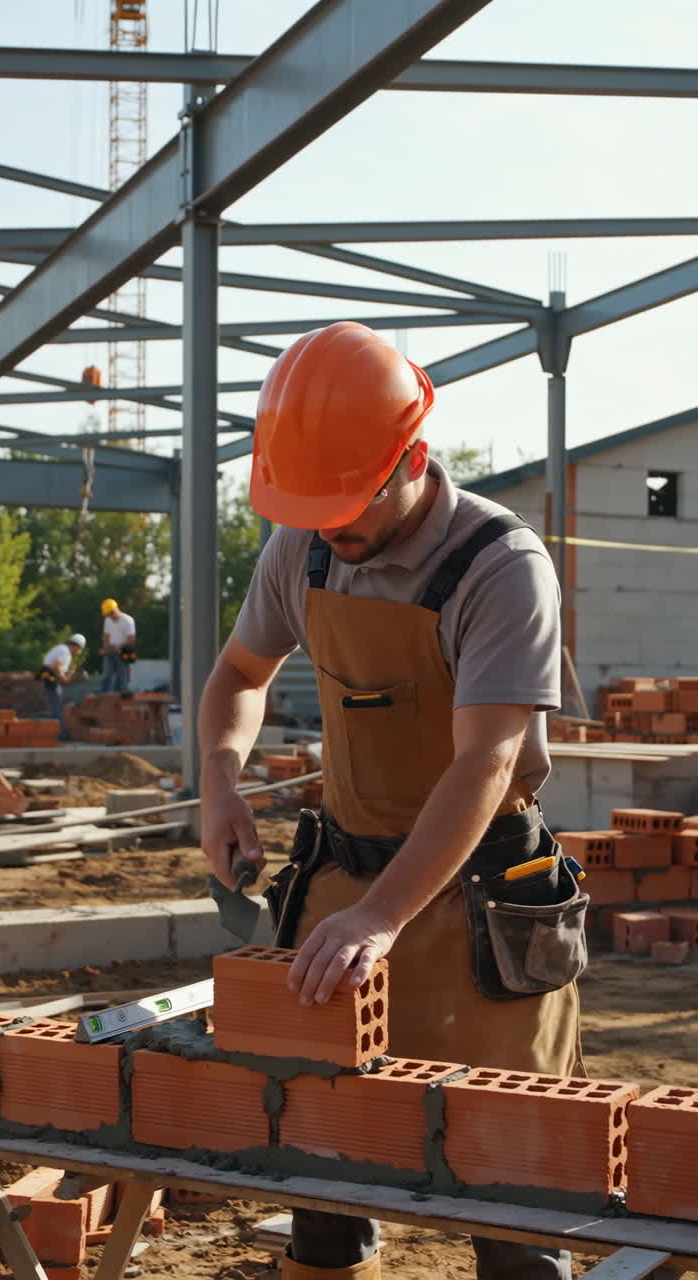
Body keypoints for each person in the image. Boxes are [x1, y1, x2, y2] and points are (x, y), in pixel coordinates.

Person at [199, 322, 587, 1280]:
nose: (330, 526)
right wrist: (218, 778)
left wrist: (382, 915)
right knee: (327, 1170)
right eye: (312, 507)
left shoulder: (500, 567)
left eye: (347, 502)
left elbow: (484, 764)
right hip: (346, 882)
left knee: (510, 1181)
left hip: (484, 908)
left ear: (413, 456)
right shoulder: (306, 549)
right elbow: (240, 673)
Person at [39, 634, 86, 734]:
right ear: (77, 646)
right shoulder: (65, 651)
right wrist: (64, 678)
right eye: (80, 649)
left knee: (54, 704)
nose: (79, 652)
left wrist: (67, 674)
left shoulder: (62, 649)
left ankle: (54, 731)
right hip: (50, 676)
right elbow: (56, 665)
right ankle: (60, 733)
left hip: (47, 675)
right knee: (56, 706)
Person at [99, 598, 136, 693]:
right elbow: (106, 636)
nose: (110, 617)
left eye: (110, 614)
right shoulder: (108, 620)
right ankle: (103, 695)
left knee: (122, 676)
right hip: (111, 651)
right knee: (106, 674)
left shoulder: (128, 620)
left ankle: (120, 696)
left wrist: (118, 647)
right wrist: (105, 647)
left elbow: (131, 639)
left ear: (114, 611)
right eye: (108, 615)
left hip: (124, 651)